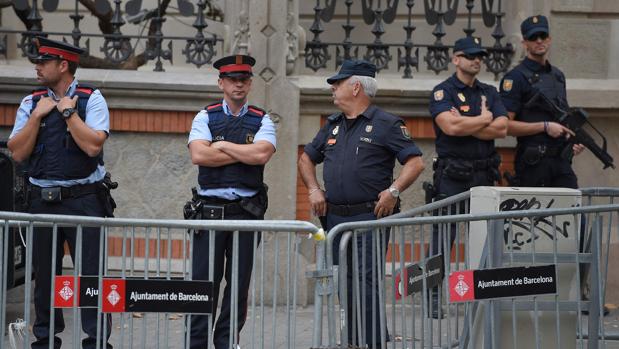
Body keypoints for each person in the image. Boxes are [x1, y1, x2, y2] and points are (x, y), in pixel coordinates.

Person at [298, 59, 425, 348]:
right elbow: (306, 159)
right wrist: (314, 189)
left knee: (367, 283)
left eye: (338, 82)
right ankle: (356, 339)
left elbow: (415, 163)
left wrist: (393, 191)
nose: (333, 87)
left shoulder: (386, 123)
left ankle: (370, 341)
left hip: (370, 216)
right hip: (335, 218)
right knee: (344, 282)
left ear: (356, 87)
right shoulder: (332, 125)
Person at [7, 37, 114, 349]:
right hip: (43, 201)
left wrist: (69, 114)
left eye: (44, 62)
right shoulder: (31, 102)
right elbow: (17, 152)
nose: (37, 67)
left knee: (92, 277)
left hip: (84, 200)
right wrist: (38, 117)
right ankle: (45, 339)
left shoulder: (91, 99)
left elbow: (93, 145)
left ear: (63, 65)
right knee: (45, 278)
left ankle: (95, 341)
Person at [186, 54, 276, 349]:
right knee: (203, 285)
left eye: (244, 79)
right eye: (232, 80)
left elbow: (262, 155)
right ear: (221, 83)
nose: (239, 84)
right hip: (209, 213)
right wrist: (243, 151)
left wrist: (221, 145)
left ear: (250, 83)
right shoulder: (205, 116)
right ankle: (196, 343)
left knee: (238, 285)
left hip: (245, 213)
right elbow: (200, 155)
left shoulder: (262, 118)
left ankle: (226, 343)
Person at [427, 36, 508, 318]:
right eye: (471, 55)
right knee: (442, 238)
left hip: (484, 173)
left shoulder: (489, 91)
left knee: (487, 236)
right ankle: (433, 297)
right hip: (453, 175)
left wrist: (468, 124)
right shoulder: (442, 91)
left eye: (480, 56)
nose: (477, 60)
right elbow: (449, 127)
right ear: (456, 58)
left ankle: (485, 294)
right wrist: (484, 118)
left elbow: (501, 129)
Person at [499, 15, 584, 188]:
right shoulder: (515, 78)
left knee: (570, 212)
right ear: (525, 43)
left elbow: (564, 117)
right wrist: (544, 126)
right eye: (533, 37)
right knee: (533, 214)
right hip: (533, 162)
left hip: (561, 162)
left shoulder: (558, 76)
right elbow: (504, 126)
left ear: (549, 39)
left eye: (543, 36)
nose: (539, 41)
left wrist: (573, 143)